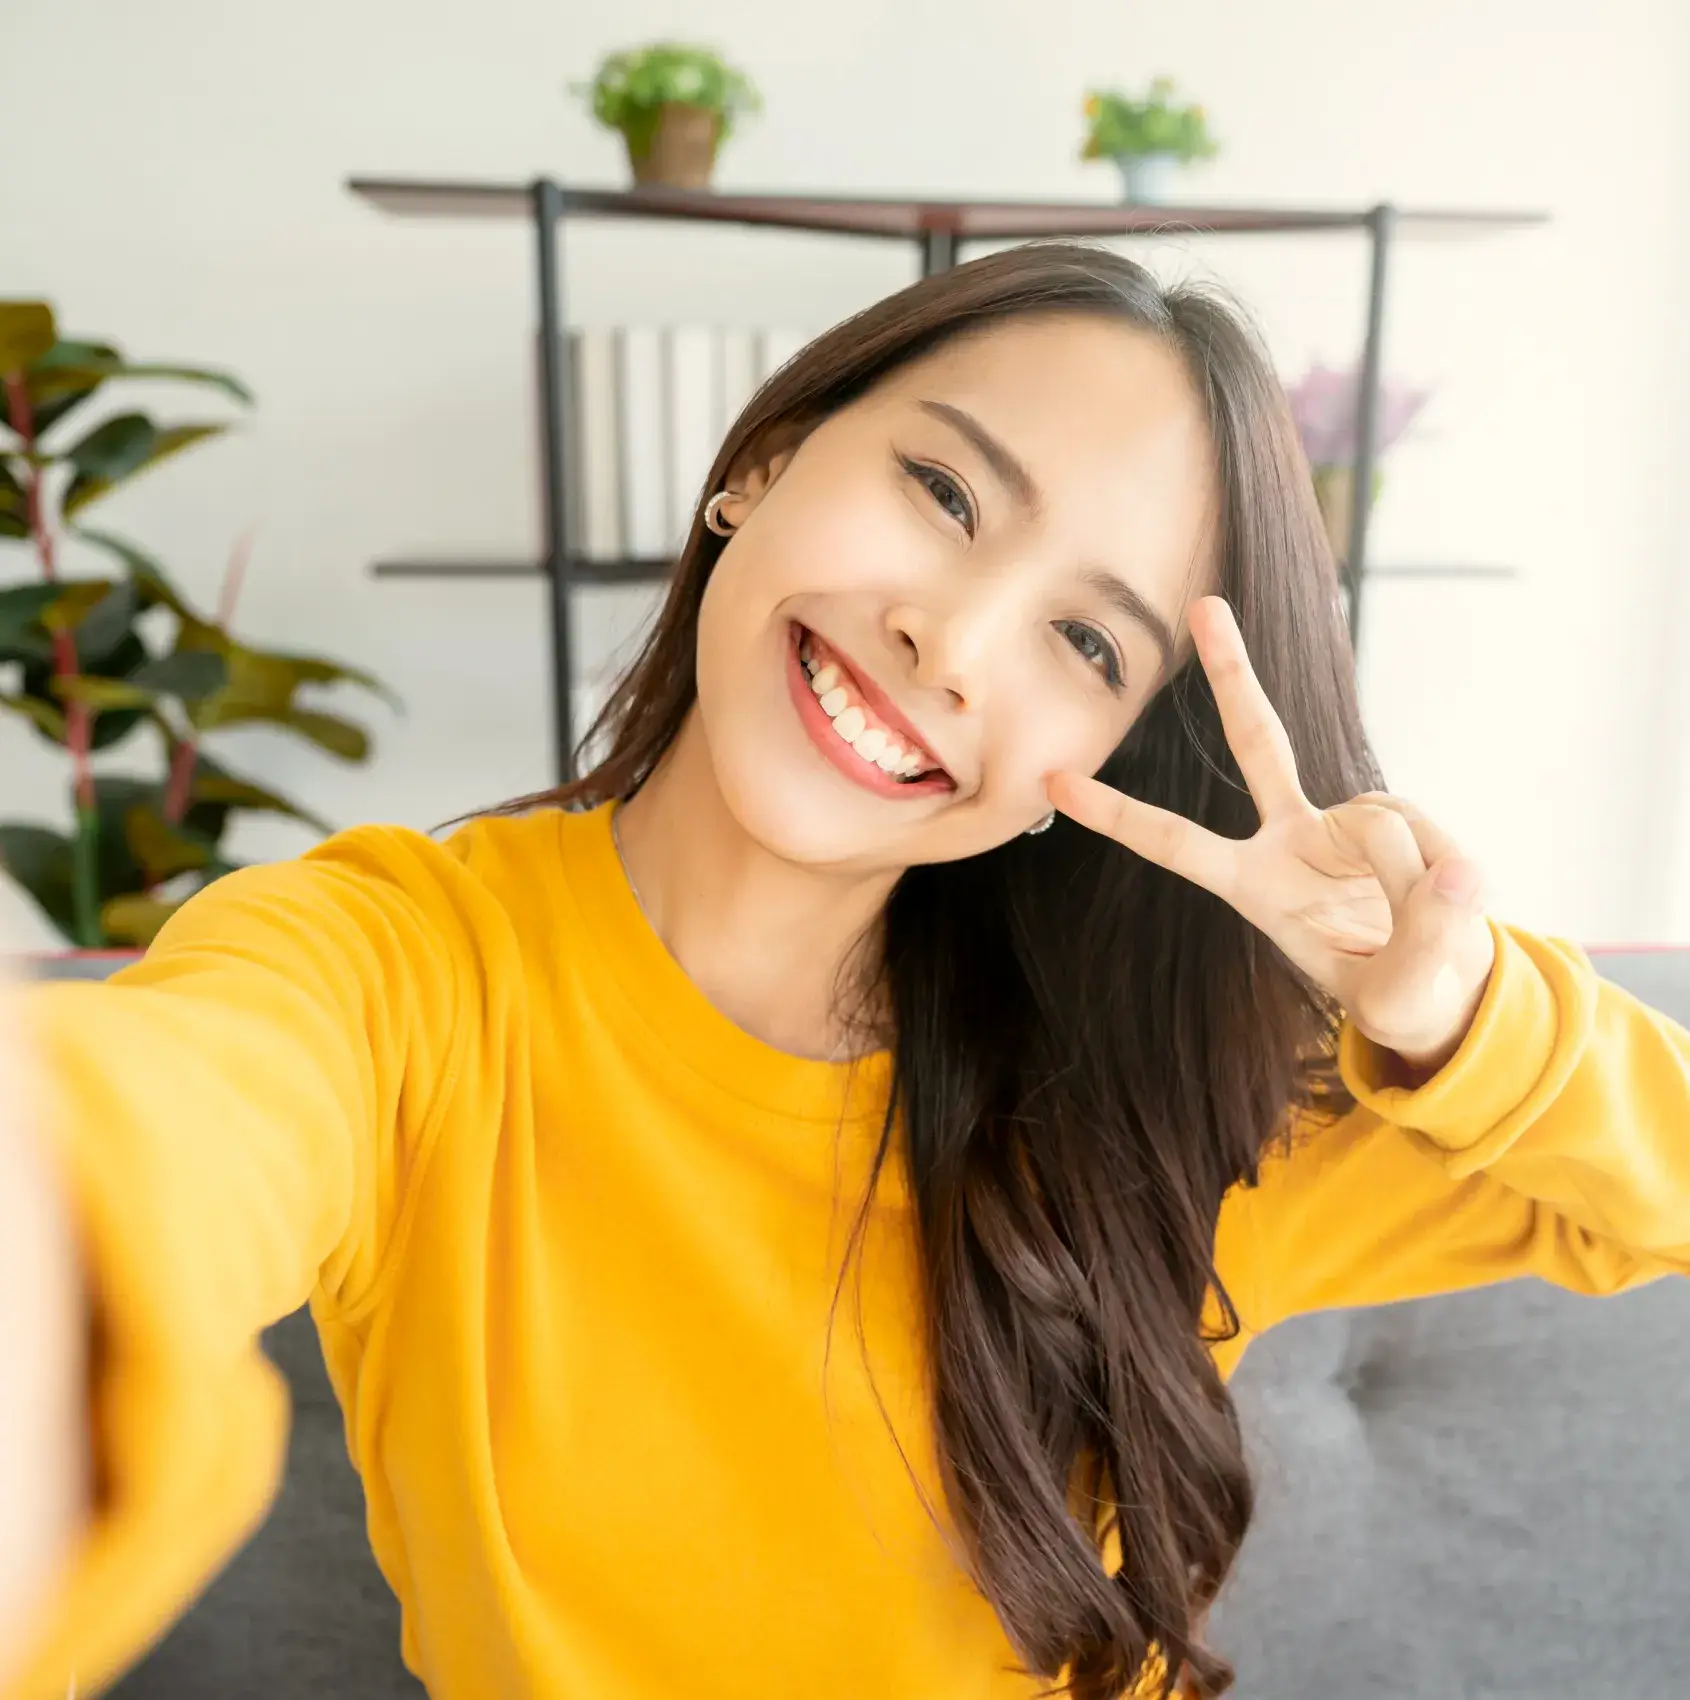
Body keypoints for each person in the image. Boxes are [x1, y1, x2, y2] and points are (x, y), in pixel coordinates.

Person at [2, 242, 1687, 1700]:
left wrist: (1455, 1017)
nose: (947, 645)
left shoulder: (1158, 1098)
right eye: (944, 495)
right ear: (769, 455)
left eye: (1083, 641)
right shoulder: (400, 971)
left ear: (1109, 754)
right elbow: (151, 1151)